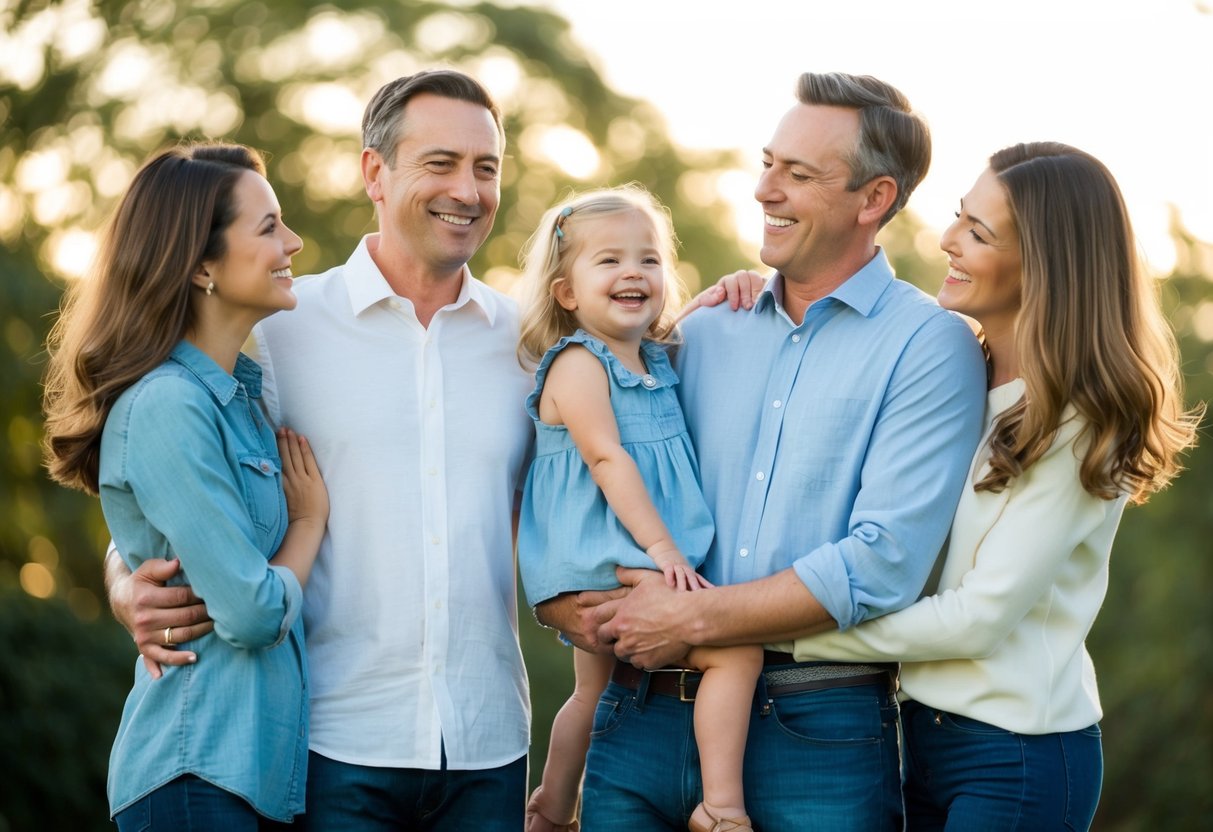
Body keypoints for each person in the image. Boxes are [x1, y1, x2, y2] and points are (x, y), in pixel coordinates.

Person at [538, 71, 988, 830]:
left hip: (812, 728)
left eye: (797, 175)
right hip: (637, 710)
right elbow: (585, 465)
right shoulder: (699, 329)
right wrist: (563, 602)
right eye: (767, 163)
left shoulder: (928, 346)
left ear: (873, 199)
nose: (763, 190)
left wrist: (697, 620)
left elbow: (880, 562)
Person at [104, 71, 536, 830]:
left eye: (486, 167)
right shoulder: (276, 335)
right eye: (439, 163)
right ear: (375, 171)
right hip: (329, 745)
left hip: (487, 747)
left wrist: (729, 290)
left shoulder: (530, 345)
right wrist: (123, 585)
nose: (467, 190)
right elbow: (158, 497)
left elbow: (639, 377)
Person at [774, 142, 1203, 829]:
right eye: (957, 217)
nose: (947, 240)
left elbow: (977, 618)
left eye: (977, 232)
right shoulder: (954, 379)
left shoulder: (1077, 419)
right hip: (919, 738)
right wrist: (736, 295)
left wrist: (784, 639)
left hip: (1018, 754)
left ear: (1046, 266)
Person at [42, 142, 328, 828]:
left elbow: (157, 539)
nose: (291, 242)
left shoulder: (242, 398)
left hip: (247, 780)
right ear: (201, 265)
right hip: (195, 774)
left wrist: (123, 576)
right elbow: (252, 612)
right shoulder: (169, 404)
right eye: (267, 227)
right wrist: (309, 523)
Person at [515, 186, 764, 832]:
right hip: (613, 556)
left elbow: (682, 338)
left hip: (616, 556)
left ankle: (550, 804)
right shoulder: (575, 364)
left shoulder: (650, 358)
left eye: (648, 260)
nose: (633, 272)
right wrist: (663, 551)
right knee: (734, 656)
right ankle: (721, 805)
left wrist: (721, 293)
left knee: (593, 690)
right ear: (565, 292)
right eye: (609, 261)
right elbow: (606, 460)